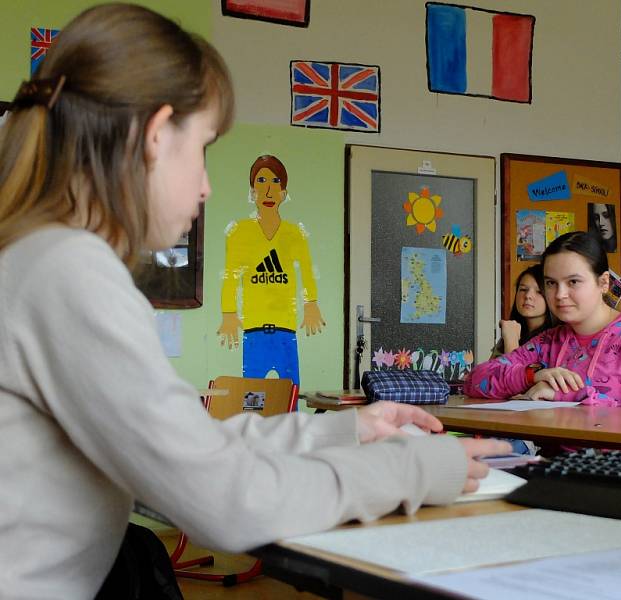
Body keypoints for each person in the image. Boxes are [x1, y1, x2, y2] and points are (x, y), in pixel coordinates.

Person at [0, 5, 509, 597]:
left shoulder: (38, 258)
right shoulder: (66, 273)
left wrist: (345, 433)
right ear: (156, 135)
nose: (206, 186)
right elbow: (225, 499)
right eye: (204, 148)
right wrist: (411, 470)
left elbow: (188, 444)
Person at [465, 231, 621, 408]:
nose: (559, 295)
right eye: (551, 283)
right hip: (548, 456)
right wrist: (532, 376)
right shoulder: (549, 341)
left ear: (604, 282)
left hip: (616, 457)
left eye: (573, 281)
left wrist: (563, 395)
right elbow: (474, 381)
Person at [218, 154, 325, 386]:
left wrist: (311, 303)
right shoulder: (239, 233)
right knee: (254, 399)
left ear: (284, 193)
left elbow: (306, 270)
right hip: (253, 333)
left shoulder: (295, 234)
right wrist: (228, 314)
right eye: (261, 181)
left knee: (289, 396)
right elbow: (231, 276)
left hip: (286, 332)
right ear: (252, 192)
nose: (268, 191)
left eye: (275, 182)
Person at [491, 264, 555, 358]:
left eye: (539, 292)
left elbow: (516, 372)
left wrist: (511, 341)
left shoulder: (556, 341)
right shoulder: (513, 331)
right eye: (523, 289)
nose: (528, 295)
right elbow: (488, 371)